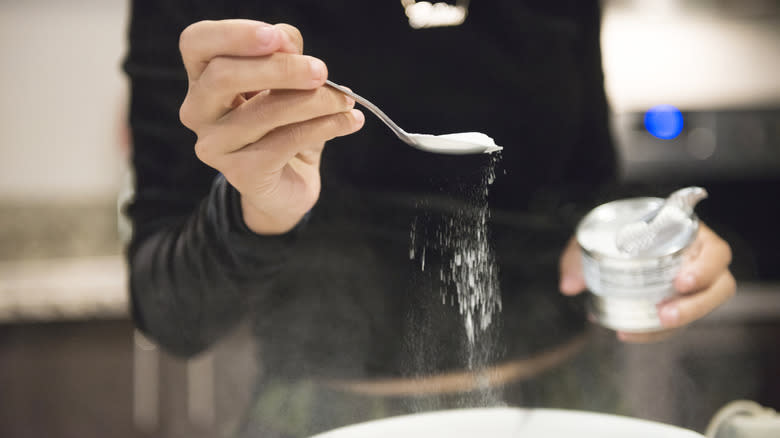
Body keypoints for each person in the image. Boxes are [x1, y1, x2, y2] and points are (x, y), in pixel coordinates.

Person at [123, 1, 736, 436]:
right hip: (320, 415)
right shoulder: (219, 26)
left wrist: (642, 250)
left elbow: (586, 190)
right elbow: (168, 312)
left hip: (565, 399)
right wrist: (256, 210)